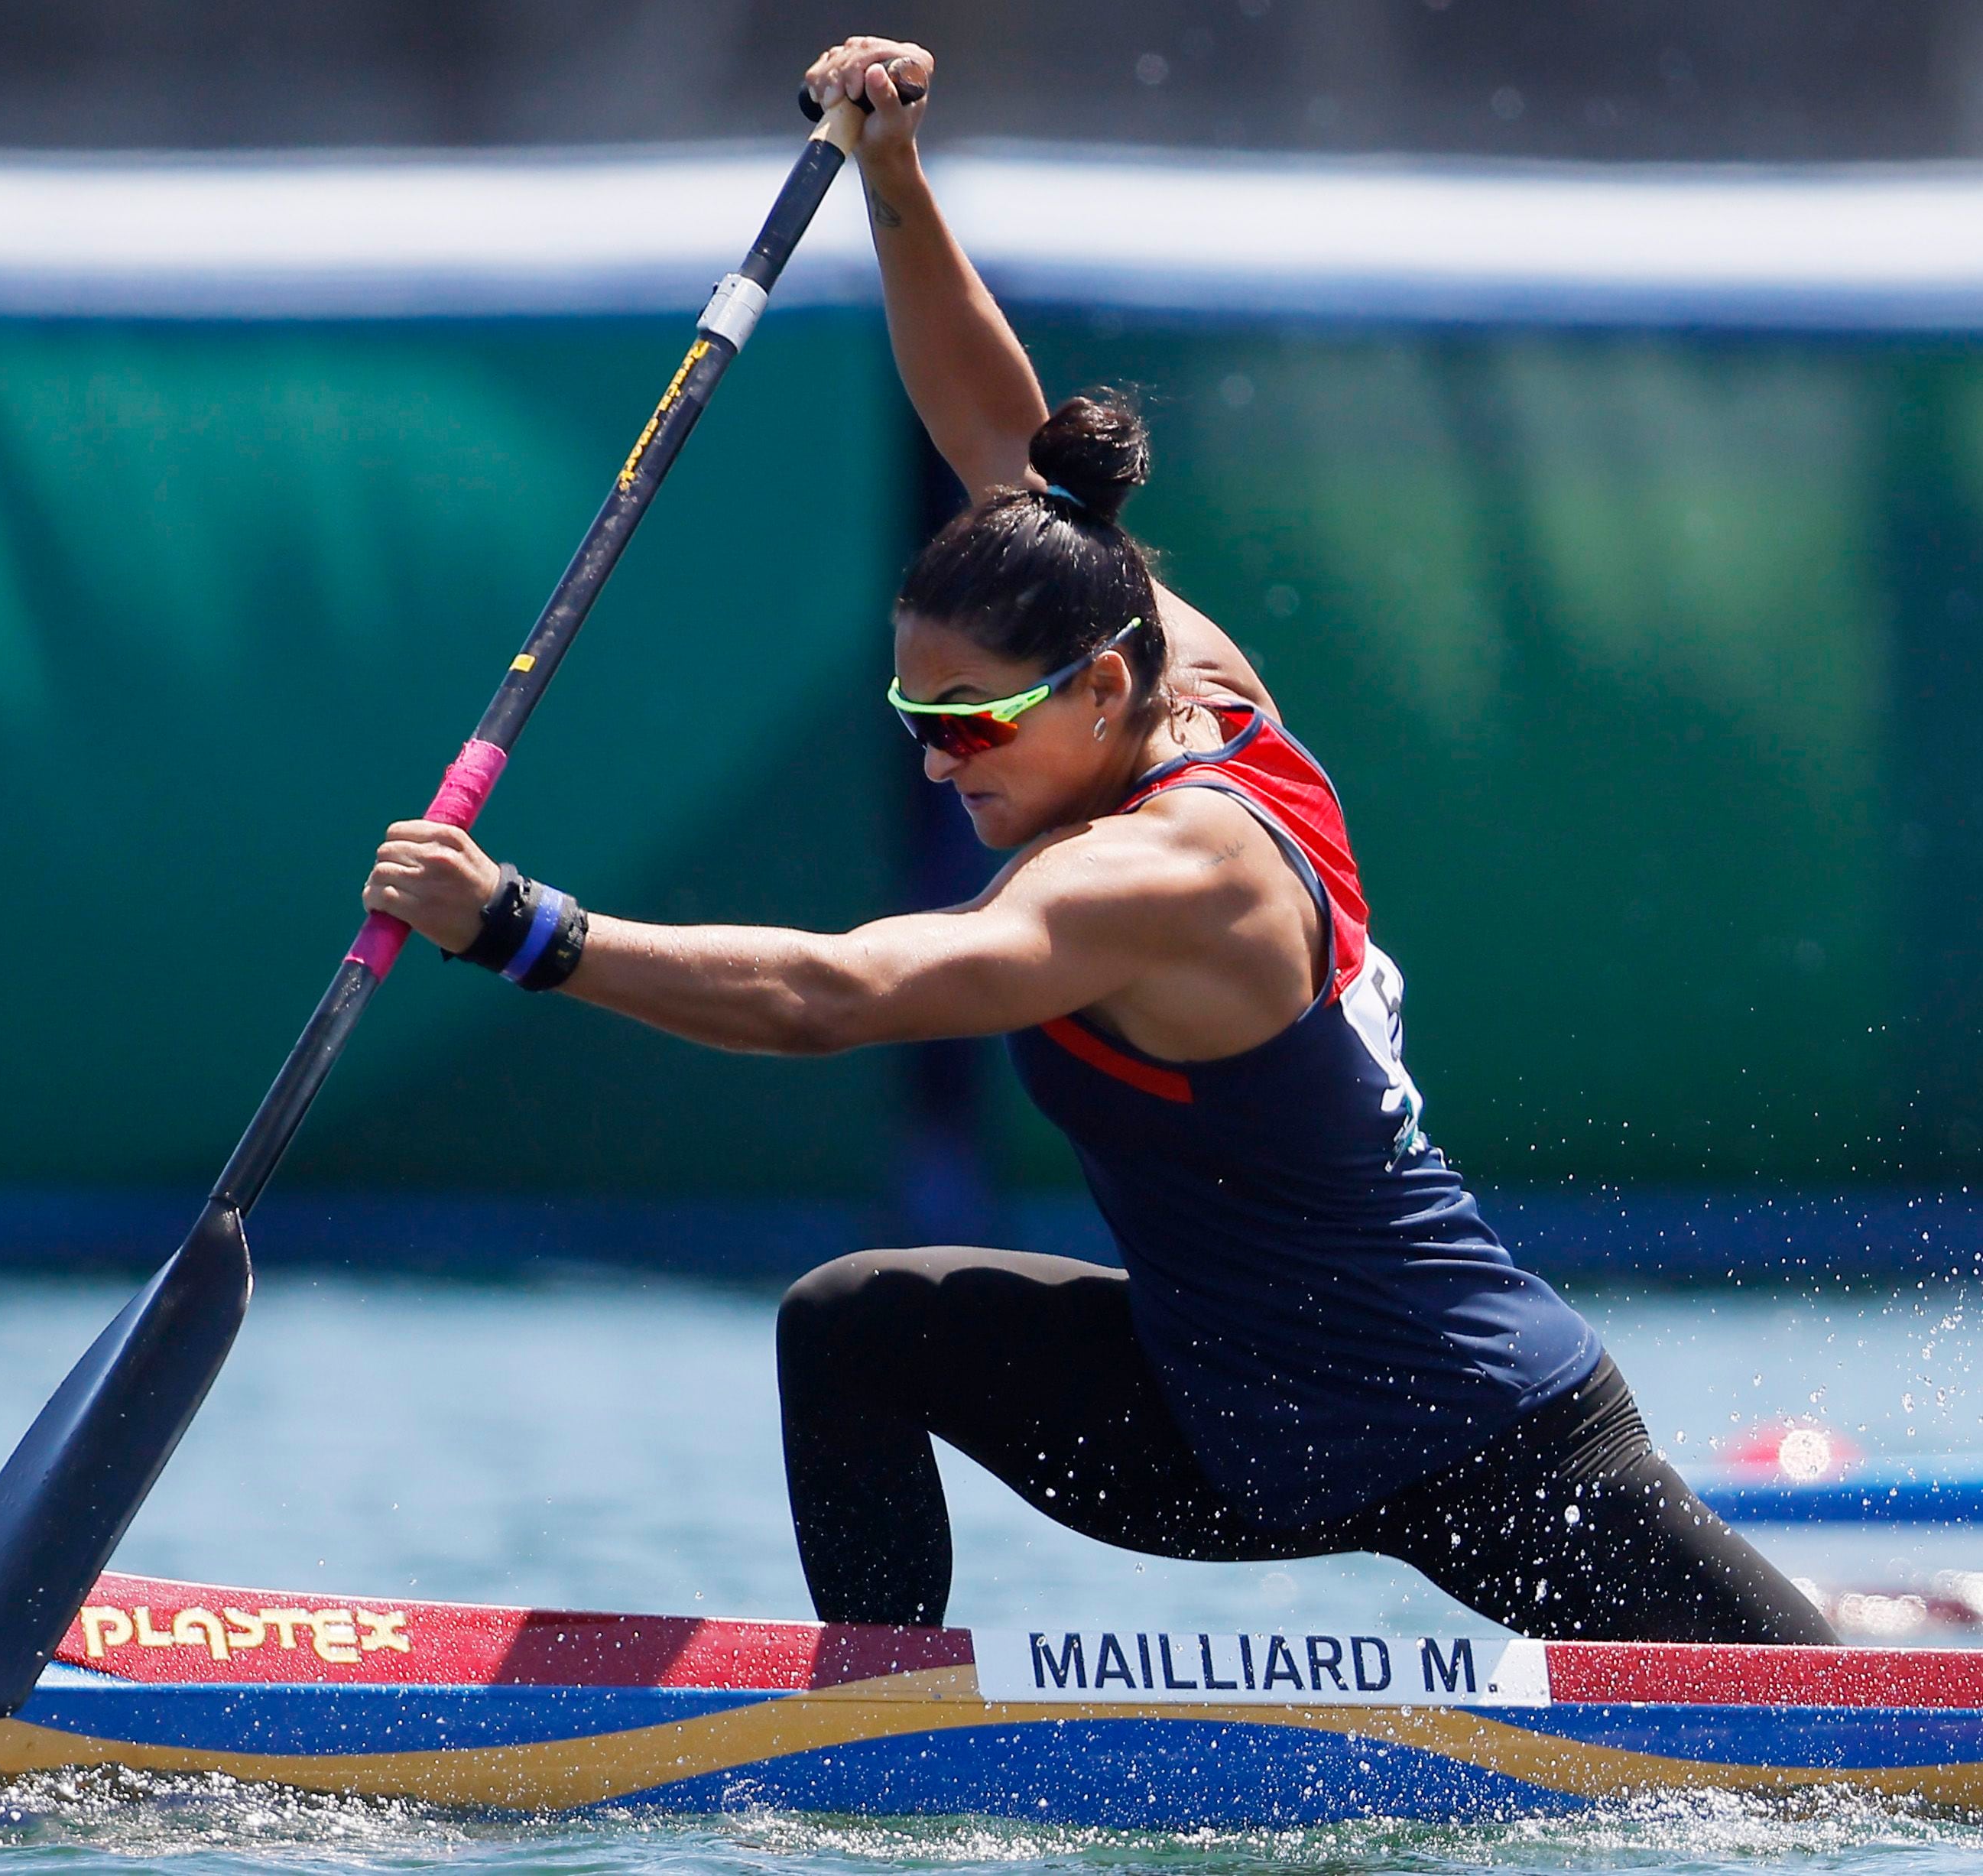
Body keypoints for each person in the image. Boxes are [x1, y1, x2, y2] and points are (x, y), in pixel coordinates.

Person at [361, 36, 1834, 1647]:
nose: (938, 761)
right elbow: (1008, 447)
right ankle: (878, 1725)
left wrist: (525, 928)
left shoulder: (1167, 873)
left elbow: (836, 998)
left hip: (1471, 1430)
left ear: (1108, 685)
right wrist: (894, 177)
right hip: (1225, 1420)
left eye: (975, 719)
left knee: (1827, 1742)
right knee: (857, 1326)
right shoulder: (1154, 654)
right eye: (914, 715)